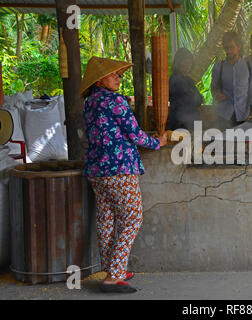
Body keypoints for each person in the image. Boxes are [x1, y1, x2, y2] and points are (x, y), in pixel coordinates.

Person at [80, 56, 167, 293]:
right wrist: (157, 142)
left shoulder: (89, 103)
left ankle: (111, 268)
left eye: (119, 74)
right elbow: (135, 134)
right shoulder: (115, 101)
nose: (118, 78)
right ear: (99, 80)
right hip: (119, 168)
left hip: (96, 170)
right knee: (132, 218)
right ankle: (115, 275)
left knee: (107, 218)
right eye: (114, 75)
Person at [211, 31, 252, 130]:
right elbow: (213, 87)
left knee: (242, 145)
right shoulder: (218, 67)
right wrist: (217, 94)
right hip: (224, 115)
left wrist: (251, 115)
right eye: (226, 48)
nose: (228, 51)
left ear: (239, 47)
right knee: (225, 144)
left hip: (244, 115)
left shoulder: (249, 66)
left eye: (232, 48)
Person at [168, 48, 204, 131]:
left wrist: (198, 98)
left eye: (190, 62)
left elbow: (199, 100)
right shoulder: (175, 79)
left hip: (192, 123)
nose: (188, 65)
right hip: (181, 124)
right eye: (185, 62)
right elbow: (194, 100)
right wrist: (197, 98)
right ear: (178, 63)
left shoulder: (188, 80)